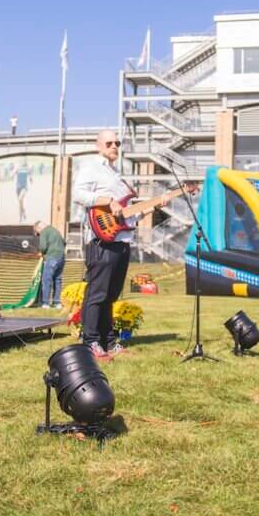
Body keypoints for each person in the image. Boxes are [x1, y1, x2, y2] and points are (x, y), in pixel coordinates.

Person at [73, 129, 169, 359]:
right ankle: (90, 341)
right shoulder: (91, 168)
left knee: (111, 295)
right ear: (99, 145)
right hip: (101, 241)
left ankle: (108, 341)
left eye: (117, 142)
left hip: (122, 241)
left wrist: (153, 206)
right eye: (109, 143)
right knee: (97, 293)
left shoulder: (117, 175)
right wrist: (106, 200)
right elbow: (78, 193)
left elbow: (126, 215)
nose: (114, 146)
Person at [34, 221, 66, 308]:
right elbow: (64, 242)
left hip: (52, 257)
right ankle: (57, 302)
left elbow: (43, 246)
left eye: (37, 232)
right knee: (57, 280)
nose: (38, 234)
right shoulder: (55, 230)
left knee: (46, 280)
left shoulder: (44, 231)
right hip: (61, 257)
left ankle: (45, 303)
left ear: (39, 228)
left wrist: (41, 252)